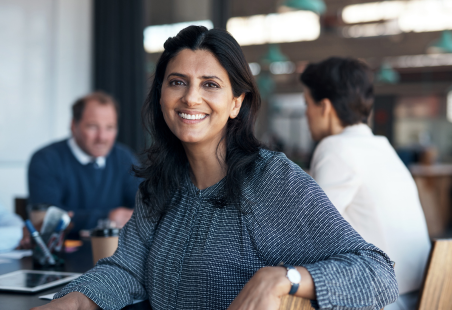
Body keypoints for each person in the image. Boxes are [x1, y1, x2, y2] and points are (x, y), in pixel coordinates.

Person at [34, 26, 398, 310]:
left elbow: (377, 273)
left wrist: (280, 278)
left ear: (236, 103)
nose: (191, 97)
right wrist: (67, 302)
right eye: (177, 82)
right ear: (161, 94)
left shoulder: (268, 180)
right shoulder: (161, 182)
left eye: (210, 85)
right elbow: (125, 268)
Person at [301, 57, 430, 310]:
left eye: (307, 103)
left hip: (385, 300)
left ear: (325, 107)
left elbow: (305, 235)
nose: (306, 113)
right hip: (425, 292)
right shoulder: (381, 146)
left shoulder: (334, 147)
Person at [28, 92, 141, 238]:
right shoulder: (45, 159)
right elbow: (48, 219)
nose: (102, 137)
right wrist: (108, 218)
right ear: (74, 125)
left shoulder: (124, 157)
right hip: (63, 254)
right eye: (93, 127)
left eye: (110, 127)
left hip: (115, 252)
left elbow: (147, 205)